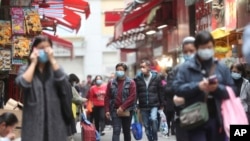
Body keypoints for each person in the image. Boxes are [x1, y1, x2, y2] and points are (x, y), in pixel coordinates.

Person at [173, 31, 236, 141]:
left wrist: (217, 88)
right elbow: (177, 88)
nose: (207, 50)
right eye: (203, 48)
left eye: (209, 47)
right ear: (197, 48)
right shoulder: (186, 68)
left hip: (218, 119)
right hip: (195, 119)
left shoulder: (221, 67)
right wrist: (198, 86)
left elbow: (233, 91)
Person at [15, 35, 72, 141]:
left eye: (48, 48)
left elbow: (63, 81)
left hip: (55, 124)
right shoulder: (26, 69)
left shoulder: (55, 68)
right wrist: (33, 63)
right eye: (41, 48)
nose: (45, 51)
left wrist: (52, 59)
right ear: (34, 49)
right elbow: (23, 83)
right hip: (33, 125)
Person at [166, 36, 196, 141]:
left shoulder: (206, 68)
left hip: (204, 115)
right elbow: (169, 90)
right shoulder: (176, 70)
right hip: (183, 114)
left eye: (192, 51)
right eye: (186, 51)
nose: (188, 54)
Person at [134, 60, 165, 141]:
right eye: (140, 67)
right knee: (147, 126)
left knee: (154, 119)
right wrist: (135, 104)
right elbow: (136, 93)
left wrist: (162, 104)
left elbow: (160, 91)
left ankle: (155, 138)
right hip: (143, 105)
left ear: (148, 67)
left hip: (154, 104)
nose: (141, 69)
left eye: (143, 67)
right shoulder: (138, 78)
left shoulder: (156, 77)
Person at [104, 63, 136, 141]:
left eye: (121, 70)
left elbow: (132, 97)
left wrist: (123, 107)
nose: (119, 71)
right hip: (115, 109)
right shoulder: (111, 82)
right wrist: (107, 110)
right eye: (117, 70)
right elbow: (107, 97)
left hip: (127, 110)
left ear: (125, 71)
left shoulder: (131, 82)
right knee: (116, 130)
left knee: (126, 131)